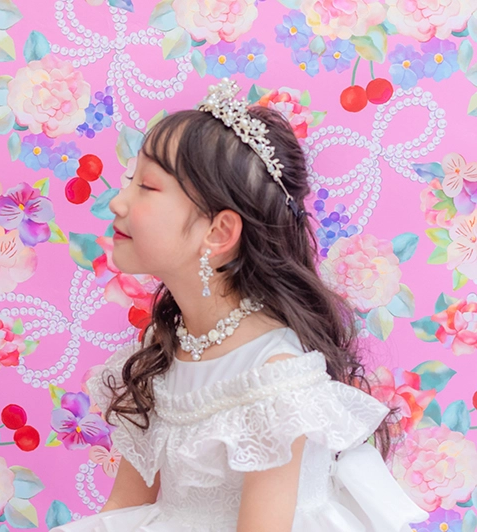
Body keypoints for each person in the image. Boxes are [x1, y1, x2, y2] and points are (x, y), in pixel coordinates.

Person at [50, 78, 429, 532]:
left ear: (219, 232)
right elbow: (124, 508)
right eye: (131, 180)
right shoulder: (162, 350)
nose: (117, 202)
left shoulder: (274, 375)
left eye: (147, 187)